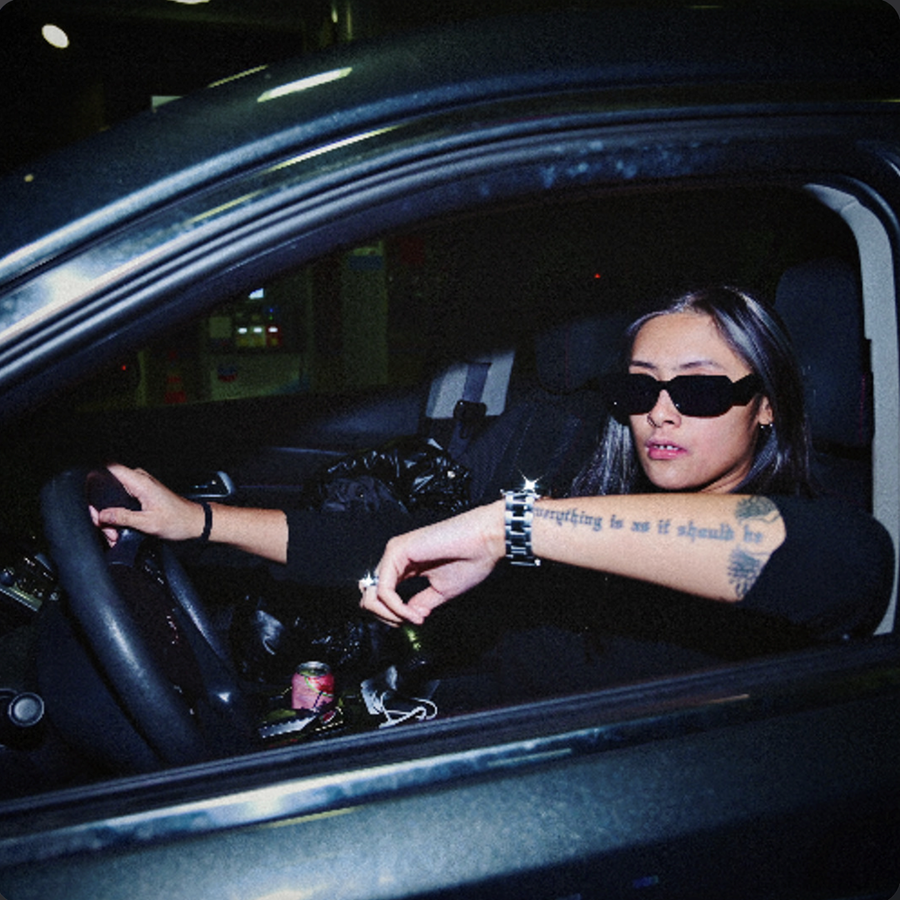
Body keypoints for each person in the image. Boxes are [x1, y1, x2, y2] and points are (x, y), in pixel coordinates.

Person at [359, 286, 894, 661]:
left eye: (699, 389)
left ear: (767, 405)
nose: (659, 413)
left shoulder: (820, 533)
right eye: (639, 388)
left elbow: (846, 560)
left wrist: (504, 527)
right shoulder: (592, 513)